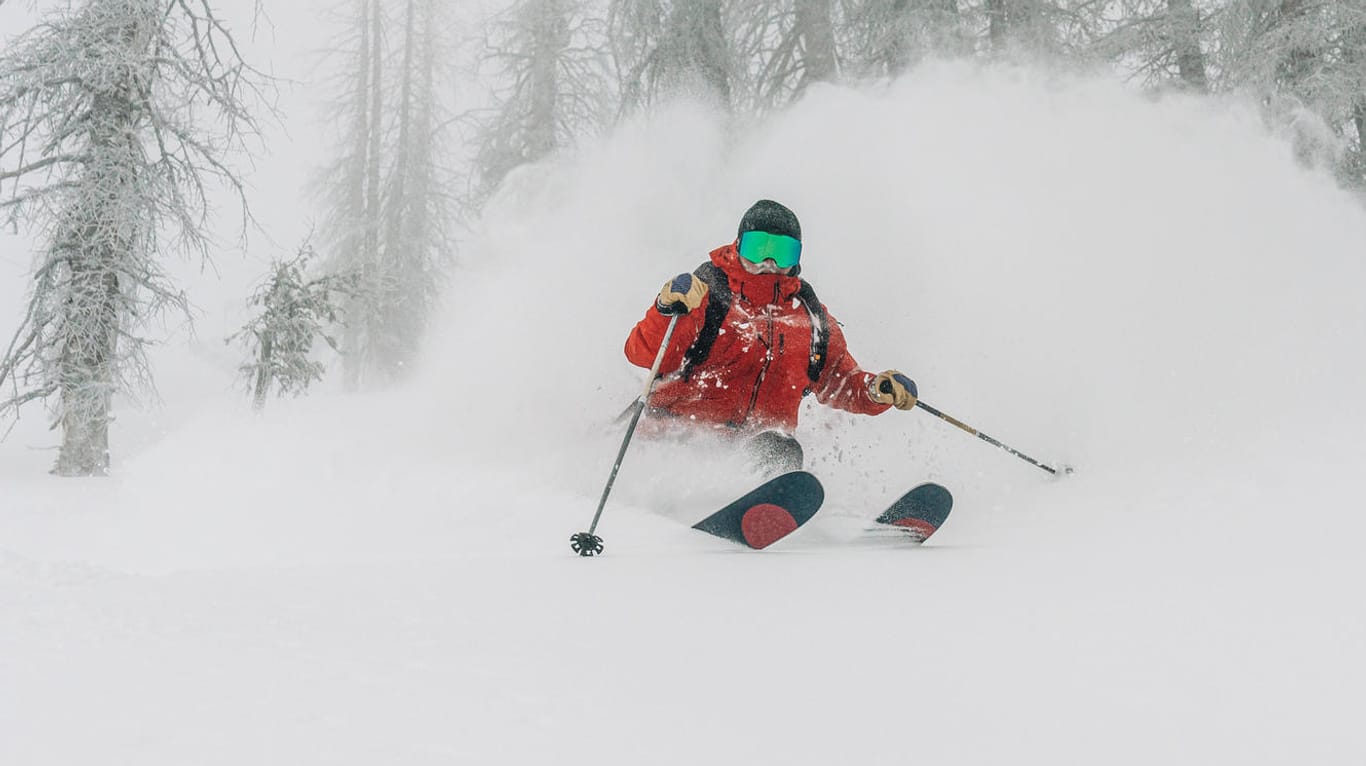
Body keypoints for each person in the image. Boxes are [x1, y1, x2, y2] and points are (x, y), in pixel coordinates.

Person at [624, 199, 918, 475]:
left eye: (782, 252)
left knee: (780, 448)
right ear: (738, 245)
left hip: (748, 455)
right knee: (776, 448)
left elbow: (840, 382)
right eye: (758, 248)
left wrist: (875, 390)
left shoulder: (810, 320)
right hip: (665, 442)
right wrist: (666, 309)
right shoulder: (706, 295)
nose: (769, 261)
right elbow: (643, 354)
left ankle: (758, 510)